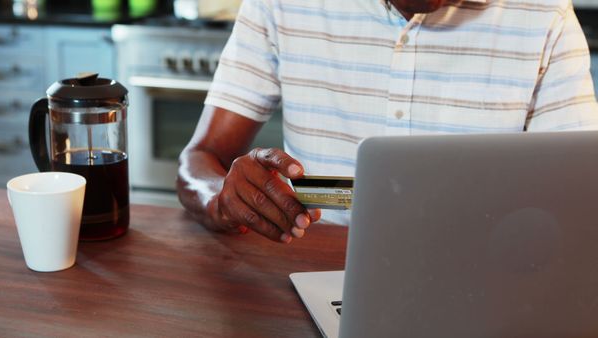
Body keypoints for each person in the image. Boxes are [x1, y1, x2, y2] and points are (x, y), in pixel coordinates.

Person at [177, 0, 598, 244]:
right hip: (310, 271)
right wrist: (221, 198)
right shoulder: (280, 5)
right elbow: (201, 158)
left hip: (485, 274)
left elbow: (577, 207)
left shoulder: (546, 15)